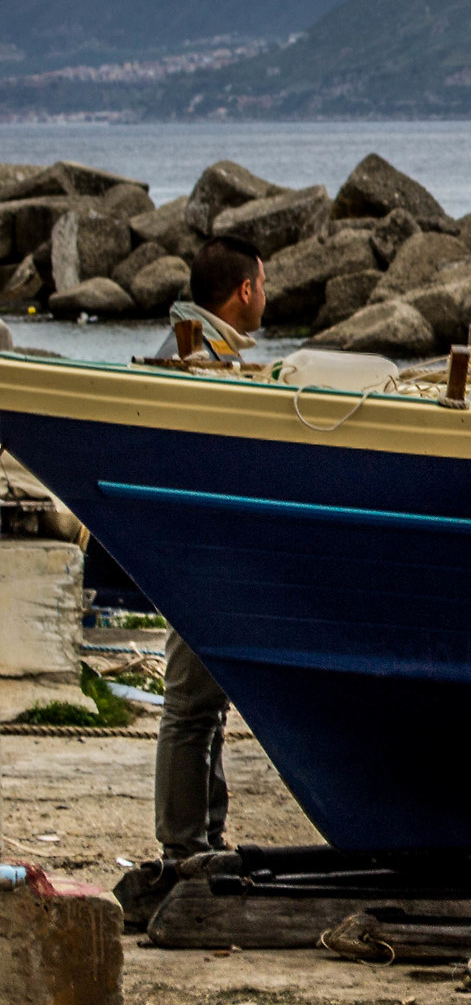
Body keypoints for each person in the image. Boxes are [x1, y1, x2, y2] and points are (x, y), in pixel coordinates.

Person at [117, 238, 269, 927]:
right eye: (263, 283)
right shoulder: (193, 354)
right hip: (199, 556)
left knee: (205, 702)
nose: (267, 295)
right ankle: (185, 845)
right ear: (245, 290)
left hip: (202, 553)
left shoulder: (205, 346)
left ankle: (202, 835)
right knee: (189, 703)